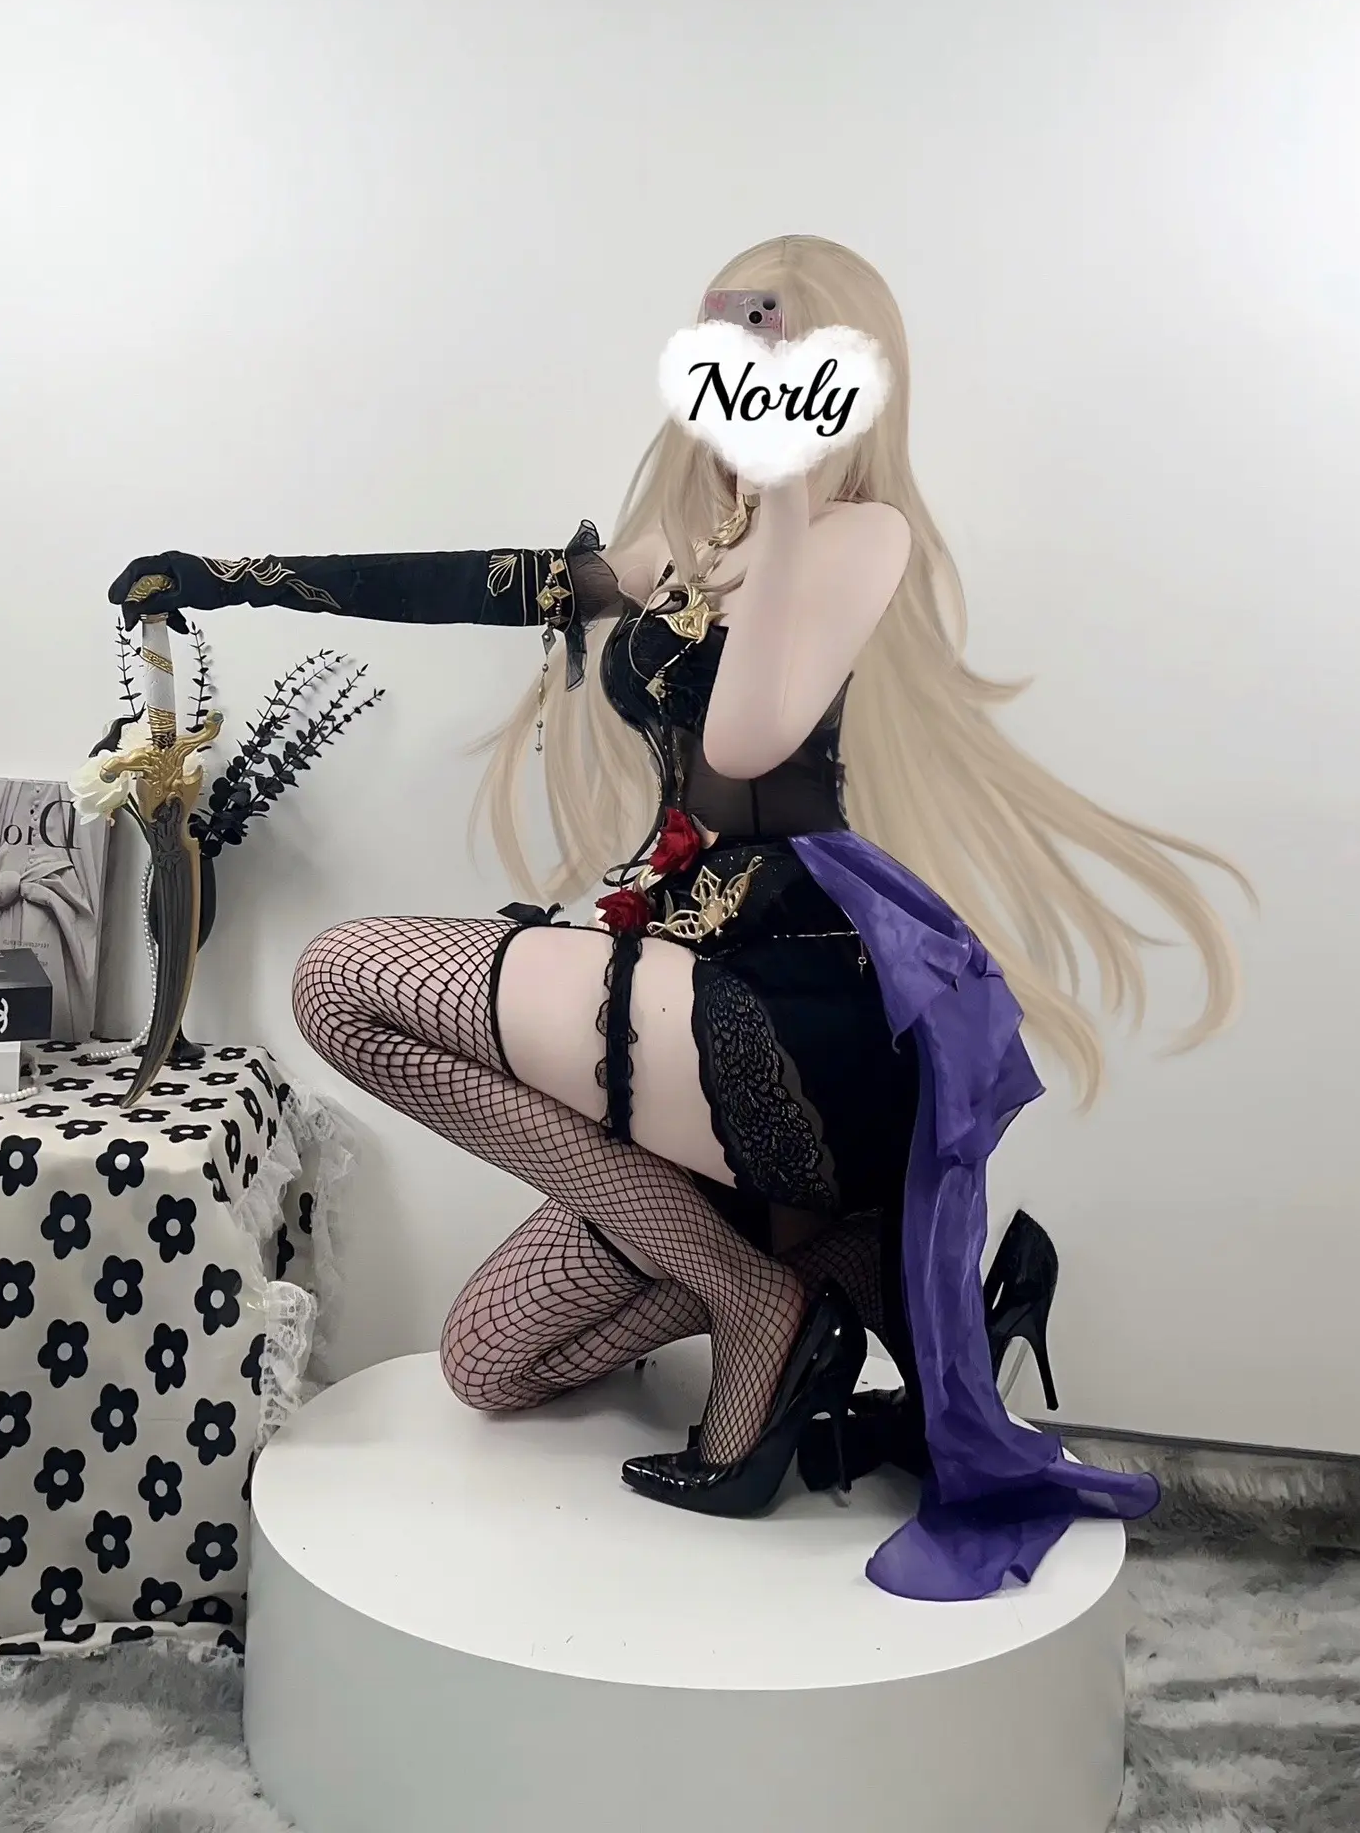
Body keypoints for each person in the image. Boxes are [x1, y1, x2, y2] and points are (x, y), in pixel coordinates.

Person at [110, 233, 1248, 1599]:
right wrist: (232, 575)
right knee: (489, 1363)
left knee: (344, 980)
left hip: (792, 1017)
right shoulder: (693, 553)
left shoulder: (856, 535)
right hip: (678, 993)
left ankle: (759, 1299)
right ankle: (824, 1266)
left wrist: (787, 496)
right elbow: (496, 583)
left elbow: (751, 742)